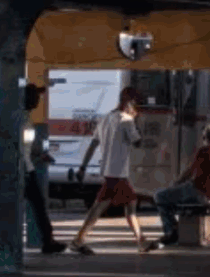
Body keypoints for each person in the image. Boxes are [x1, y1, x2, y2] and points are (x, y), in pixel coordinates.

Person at [68, 87, 155, 255]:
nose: (136, 108)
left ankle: (79, 240)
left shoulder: (105, 118)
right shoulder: (127, 120)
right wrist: (137, 122)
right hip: (118, 174)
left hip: (110, 172)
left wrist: (82, 167)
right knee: (119, 207)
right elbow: (138, 142)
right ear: (129, 102)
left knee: (117, 207)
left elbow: (93, 145)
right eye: (135, 104)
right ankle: (78, 241)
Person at [150, 124, 210, 249]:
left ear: (204, 137)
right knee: (171, 201)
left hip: (196, 190)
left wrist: (175, 184)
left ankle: (171, 232)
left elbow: (190, 172)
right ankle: (174, 230)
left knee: (159, 196)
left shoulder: (204, 151)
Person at [21, 84, 66, 254]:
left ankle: (48, 240)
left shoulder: (25, 117)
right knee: (37, 205)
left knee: (39, 205)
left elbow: (25, 147)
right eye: (35, 97)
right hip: (22, 170)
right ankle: (48, 241)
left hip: (27, 167)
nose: (38, 100)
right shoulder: (19, 118)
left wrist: (39, 155)